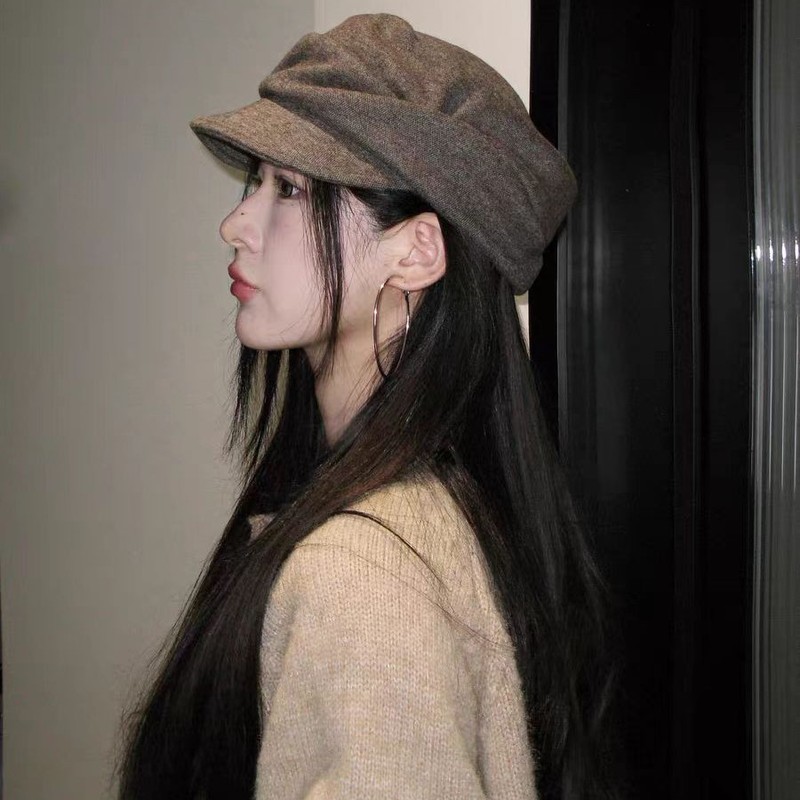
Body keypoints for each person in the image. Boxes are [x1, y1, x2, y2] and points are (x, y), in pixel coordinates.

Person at [119, 13, 617, 800]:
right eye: (257, 181)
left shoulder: (365, 579)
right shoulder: (432, 511)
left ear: (414, 253)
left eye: (290, 189)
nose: (235, 224)